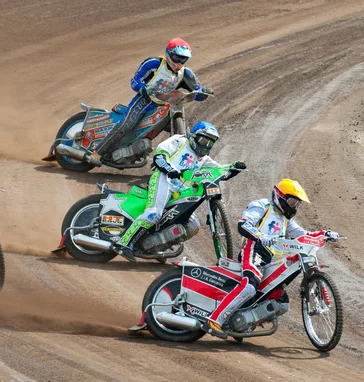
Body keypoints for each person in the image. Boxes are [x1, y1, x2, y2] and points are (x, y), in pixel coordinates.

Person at [202, 179, 341, 338]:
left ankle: (244, 323)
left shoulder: (285, 220)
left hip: (269, 258)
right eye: (292, 201)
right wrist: (260, 236)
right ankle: (214, 320)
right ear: (280, 196)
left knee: (281, 302)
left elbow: (304, 235)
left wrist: (325, 234)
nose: (294, 207)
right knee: (250, 286)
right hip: (254, 249)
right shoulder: (262, 206)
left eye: (297, 204)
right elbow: (243, 225)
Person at [114, 121, 246, 262]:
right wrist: (170, 170)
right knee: (153, 214)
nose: (206, 145)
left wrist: (233, 167)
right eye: (203, 140)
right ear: (193, 136)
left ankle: (156, 247)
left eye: (210, 143)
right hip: (164, 180)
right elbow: (159, 155)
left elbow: (219, 170)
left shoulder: (204, 159)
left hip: (181, 191)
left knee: (193, 226)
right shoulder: (179, 141)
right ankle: (124, 244)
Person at [86, 37, 213, 167]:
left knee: (183, 132)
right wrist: (142, 88)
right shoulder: (153, 63)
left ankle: (173, 162)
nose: (179, 62)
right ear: (169, 54)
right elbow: (135, 80)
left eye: (183, 59)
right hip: (145, 101)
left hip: (166, 106)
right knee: (126, 125)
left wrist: (204, 93)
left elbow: (197, 91)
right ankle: (96, 153)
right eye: (177, 58)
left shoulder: (186, 73)